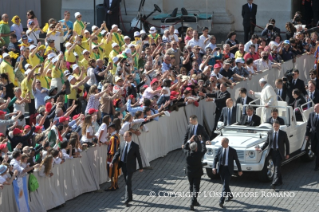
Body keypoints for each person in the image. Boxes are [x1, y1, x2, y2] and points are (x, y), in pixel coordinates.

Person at [110, 131, 143, 207]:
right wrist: (112, 162)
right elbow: (117, 153)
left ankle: (126, 199)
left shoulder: (135, 146)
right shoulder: (122, 144)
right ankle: (130, 197)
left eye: (126, 136)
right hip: (123, 165)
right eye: (124, 136)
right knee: (127, 182)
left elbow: (138, 157)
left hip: (130, 167)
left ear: (130, 137)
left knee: (127, 181)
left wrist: (141, 167)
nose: (124, 138)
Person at [256, 121, 289, 189]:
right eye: (274, 126)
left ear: (279, 126)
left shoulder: (283, 133)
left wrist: (287, 153)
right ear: (272, 126)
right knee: (277, 167)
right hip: (272, 152)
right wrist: (261, 149)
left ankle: (274, 182)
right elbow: (267, 142)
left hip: (279, 153)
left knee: (276, 167)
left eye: (277, 126)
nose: (275, 127)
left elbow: (287, 144)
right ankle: (280, 181)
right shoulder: (270, 132)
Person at [213, 137, 242, 208]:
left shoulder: (232, 151)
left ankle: (221, 201)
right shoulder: (220, 149)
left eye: (222, 143)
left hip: (228, 170)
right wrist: (214, 167)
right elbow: (215, 158)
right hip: (221, 169)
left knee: (225, 185)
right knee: (225, 184)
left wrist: (239, 170)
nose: (221, 144)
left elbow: (237, 161)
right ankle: (230, 195)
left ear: (227, 143)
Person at [182, 135, 207, 210]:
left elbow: (184, 147)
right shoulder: (199, 154)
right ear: (196, 148)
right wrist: (201, 141)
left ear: (190, 148)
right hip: (197, 173)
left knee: (191, 186)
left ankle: (194, 201)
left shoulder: (187, 153)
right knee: (196, 187)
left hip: (189, 173)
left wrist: (190, 140)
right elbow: (204, 149)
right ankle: (192, 202)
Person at [306, 104, 319, 171]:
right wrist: (307, 135)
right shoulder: (311, 114)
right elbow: (308, 125)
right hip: (313, 136)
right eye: (314, 108)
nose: (314, 109)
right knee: (313, 149)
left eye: (316, 108)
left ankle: (316, 166)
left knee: (317, 151)